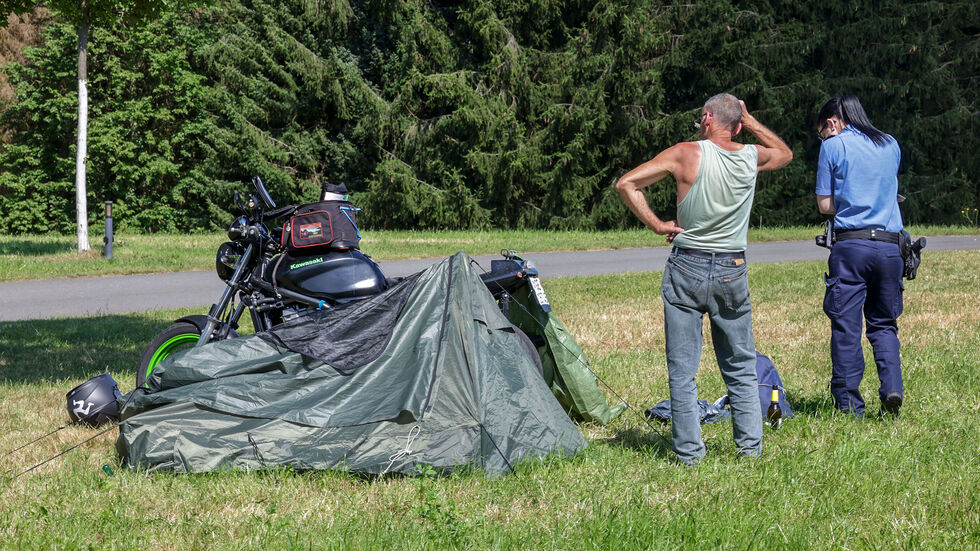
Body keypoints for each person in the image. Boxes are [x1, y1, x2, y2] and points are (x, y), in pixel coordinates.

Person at [616, 93, 793, 465]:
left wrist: (657, 224)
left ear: (707, 118)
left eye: (702, 117)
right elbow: (784, 153)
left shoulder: (686, 152)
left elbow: (627, 184)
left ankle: (689, 455)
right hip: (733, 268)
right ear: (740, 124)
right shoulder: (749, 156)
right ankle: (750, 451)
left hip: (687, 267)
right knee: (741, 366)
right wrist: (751, 120)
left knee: (683, 370)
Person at [815, 93, 904, 417]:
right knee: (883, 323)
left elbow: (825, 205)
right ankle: (892, 388)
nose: (823, 137)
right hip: (891, 245)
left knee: (847, 325)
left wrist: (849, 202)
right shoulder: (890, 144)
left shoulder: (833, 146)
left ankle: (850, 406)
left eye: (822, 131)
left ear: (832, 122)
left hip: (851, 246)